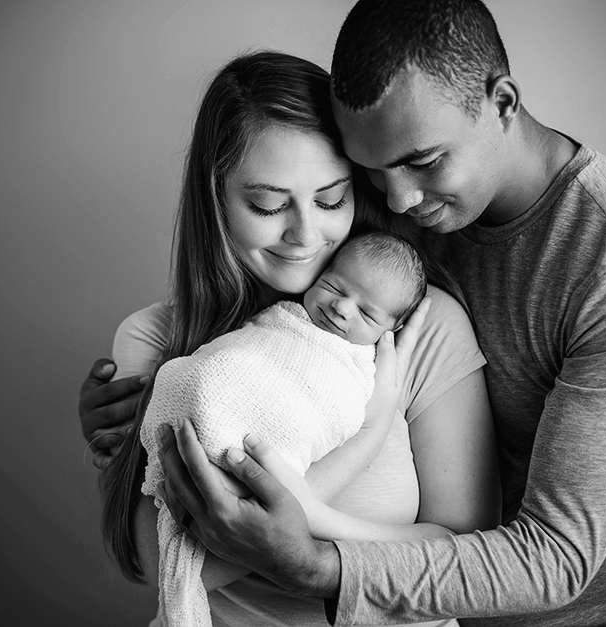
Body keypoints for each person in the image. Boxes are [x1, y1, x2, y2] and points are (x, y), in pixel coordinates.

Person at [153, 1, 606, 626]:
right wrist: (161, 395)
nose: (398, 198)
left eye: (421, 162)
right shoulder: (397, 211)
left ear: (501, 103)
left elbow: (558, 559)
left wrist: (315, 563)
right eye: (369, 172)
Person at [81, 49, 500, 627]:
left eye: (332, 199)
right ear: (217, 199)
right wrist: (362, 442)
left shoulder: (419, 327)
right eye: (269, 204)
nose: (306, 234)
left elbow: (468, 558)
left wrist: (310, 549)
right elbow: (170, 566)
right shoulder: (158, 338)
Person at [140, 232, 429, 626]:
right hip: (203, 428)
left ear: (391, 330)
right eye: (333, 286)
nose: (342, 307)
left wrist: (369, 428)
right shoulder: (278, 319)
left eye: (368, 314)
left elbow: (462, 545)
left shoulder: (365, 370)